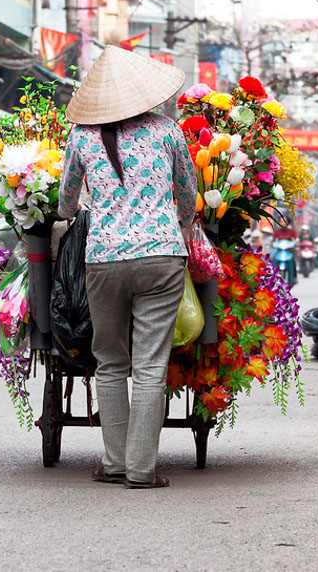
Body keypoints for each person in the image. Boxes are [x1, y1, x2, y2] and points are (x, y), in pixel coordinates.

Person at [58, 46, 197, 489]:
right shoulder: (168, 131)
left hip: (102, 259)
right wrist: (182, 225)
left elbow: (66, 202)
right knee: (151, 366)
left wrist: (82, 208)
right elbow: (187, 193)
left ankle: (115, 463)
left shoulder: (81, 136)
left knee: (110, 362)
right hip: (161, 256)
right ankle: (141, 470)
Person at [272, 213, 298, 283]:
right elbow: (273, 240)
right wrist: (272, 243)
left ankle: (294, 278)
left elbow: (296, 239)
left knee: (293, 262)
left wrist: (296, 243)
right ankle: (271, 278)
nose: (282, 223)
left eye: (284, 221)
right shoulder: (277, 231)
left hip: (289, 251)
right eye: (281, 221)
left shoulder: (292, 231)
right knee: (273, 261)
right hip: (279, 251)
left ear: (288, 222)